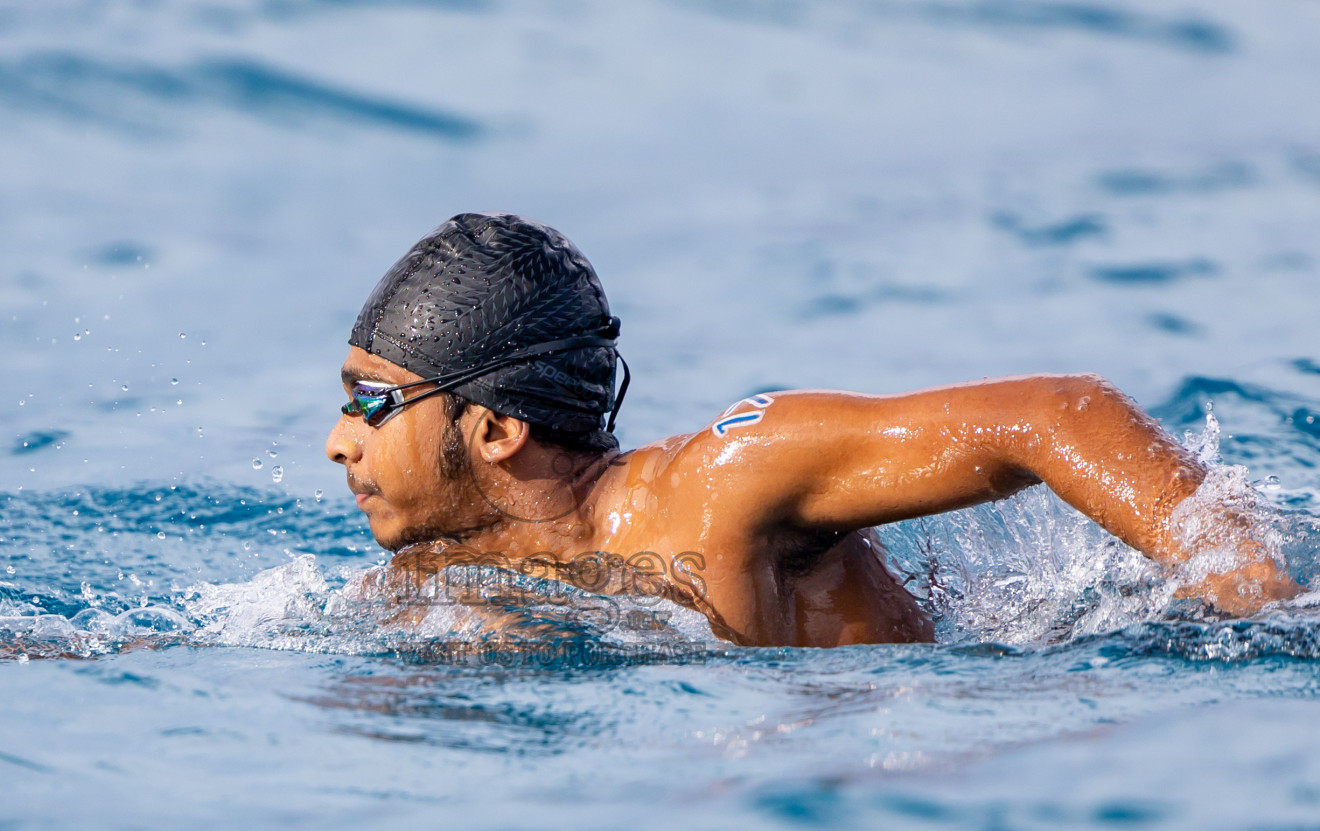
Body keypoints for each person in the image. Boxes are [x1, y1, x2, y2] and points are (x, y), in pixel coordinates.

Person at [326, 212, 1297, 647]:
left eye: (371, 403)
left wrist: (1245, 585)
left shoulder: (720, 486)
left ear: (496, 430)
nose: (339, 440)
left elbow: (1053, 413)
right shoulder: (442, 576)